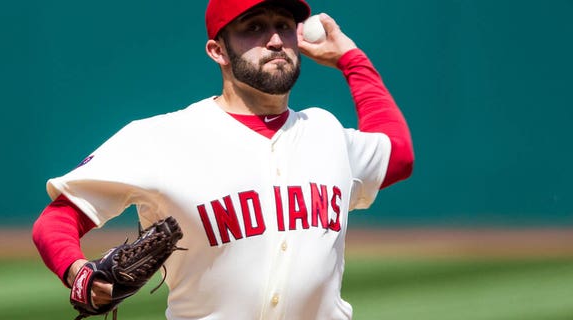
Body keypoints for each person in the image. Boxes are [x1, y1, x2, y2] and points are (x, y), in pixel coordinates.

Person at [32, 0, 414, 318]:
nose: (276, 40)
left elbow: (397, 154)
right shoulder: (160, 138)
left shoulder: (326, 132)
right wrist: (78, 272)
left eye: (284, 25)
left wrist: (352, 60)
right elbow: (58, 220)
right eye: (254, 27)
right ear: (218, 51)